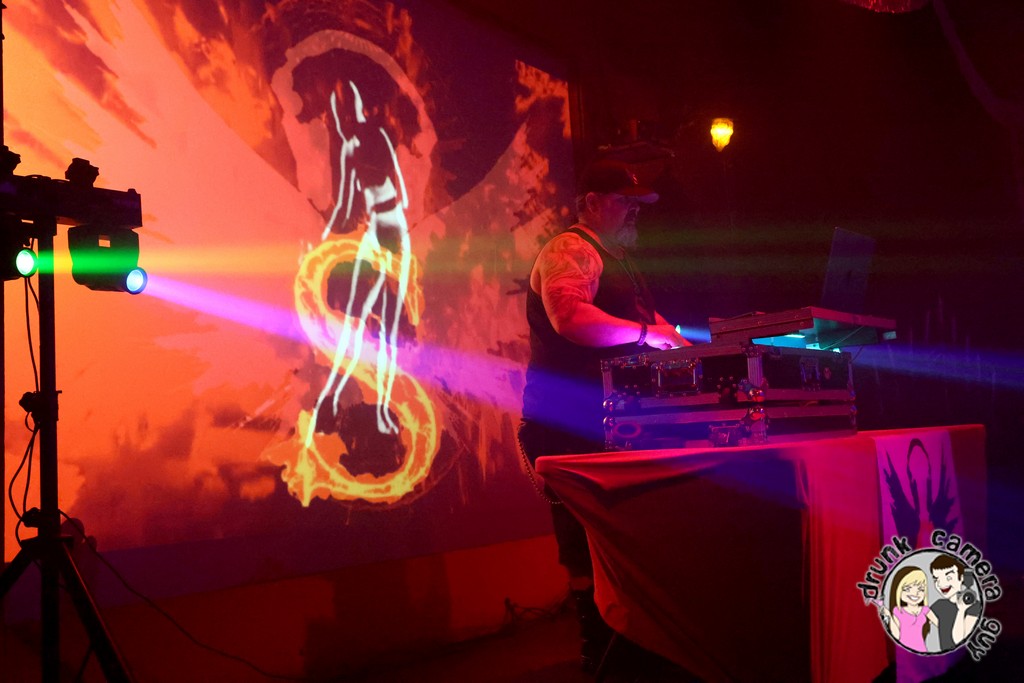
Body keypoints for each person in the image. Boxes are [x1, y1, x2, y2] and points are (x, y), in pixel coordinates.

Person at [518, 158, 688, 670]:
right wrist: (648, 335)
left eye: (638, 203)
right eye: (623, 201)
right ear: (591, 203)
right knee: (583, 540)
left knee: (623, 536)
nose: (634, 211)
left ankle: (636, 647)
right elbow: (570, 317)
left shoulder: (618, 261)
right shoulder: (571, 249)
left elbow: (656, 329)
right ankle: (601, 654)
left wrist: (686, 346)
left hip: (613, 421)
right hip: (569, 420)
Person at [876, 565, 938, 652]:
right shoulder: (897, 611)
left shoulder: (925, 610)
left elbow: (941, 625)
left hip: (922, 650)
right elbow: (896, 635)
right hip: (904, 652)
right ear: (898, 590)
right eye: (907, 588)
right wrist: (889, 616)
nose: (915, 593)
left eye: (921, 589)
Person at [929, 554, 982, 651]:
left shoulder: (974, 606)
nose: (941, 584)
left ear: (961, 578)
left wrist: (961, 610)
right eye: (936, 579)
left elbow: (958, 641)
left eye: (949, 578)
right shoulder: (939, 605)